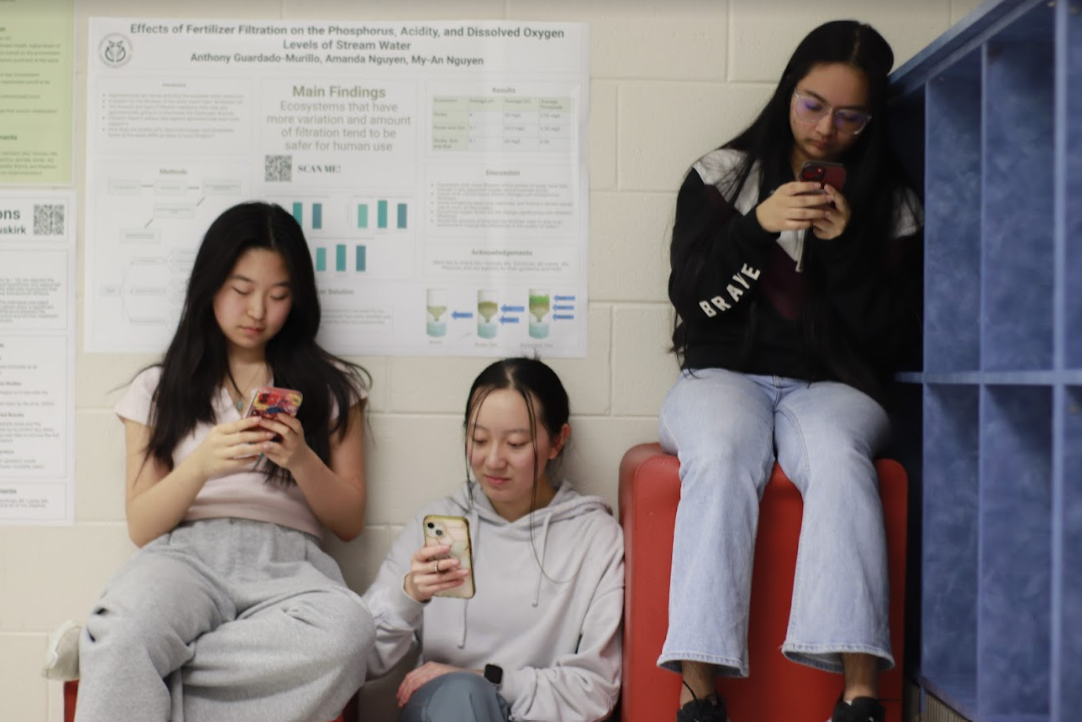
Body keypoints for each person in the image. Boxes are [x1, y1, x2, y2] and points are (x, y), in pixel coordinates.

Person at [660, 20, 922, 722]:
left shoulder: (893, 204)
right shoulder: (722, 176)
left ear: (872, 119)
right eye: (812, 104)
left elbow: (888, 342)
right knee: (718, 452)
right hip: (723, 377)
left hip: (836, 386)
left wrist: (842, 252)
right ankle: (699, 695)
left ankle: (860, 698)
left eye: (850, 115)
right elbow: (696, 303)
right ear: (787, 92)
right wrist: (758, 227)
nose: (827, 129)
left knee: (840, 458)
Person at [74, 201, 375, 722]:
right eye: (241, 291)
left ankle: (151, 681)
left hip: (290, 565)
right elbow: (143, 526)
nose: (258, 312)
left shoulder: (333, 387)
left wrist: (301, 458)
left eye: (278, 296)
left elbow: (349, 522)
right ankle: (139, 665)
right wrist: (201, 465)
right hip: (184, 557)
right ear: (210, 285)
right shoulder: (158, 387)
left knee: (351, 631)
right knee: (121, 628)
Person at [362, 357, 623, 722]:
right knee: (460, 697)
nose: (493, 461)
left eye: (516, 444)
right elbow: (362, 661)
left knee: (467, 690)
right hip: (446, 709)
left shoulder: (595, 537)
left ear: (557, 441)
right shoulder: (438, 523)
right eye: (478, 439)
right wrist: (409, 596)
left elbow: (595, 691)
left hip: (541, 715)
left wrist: (490, 679)